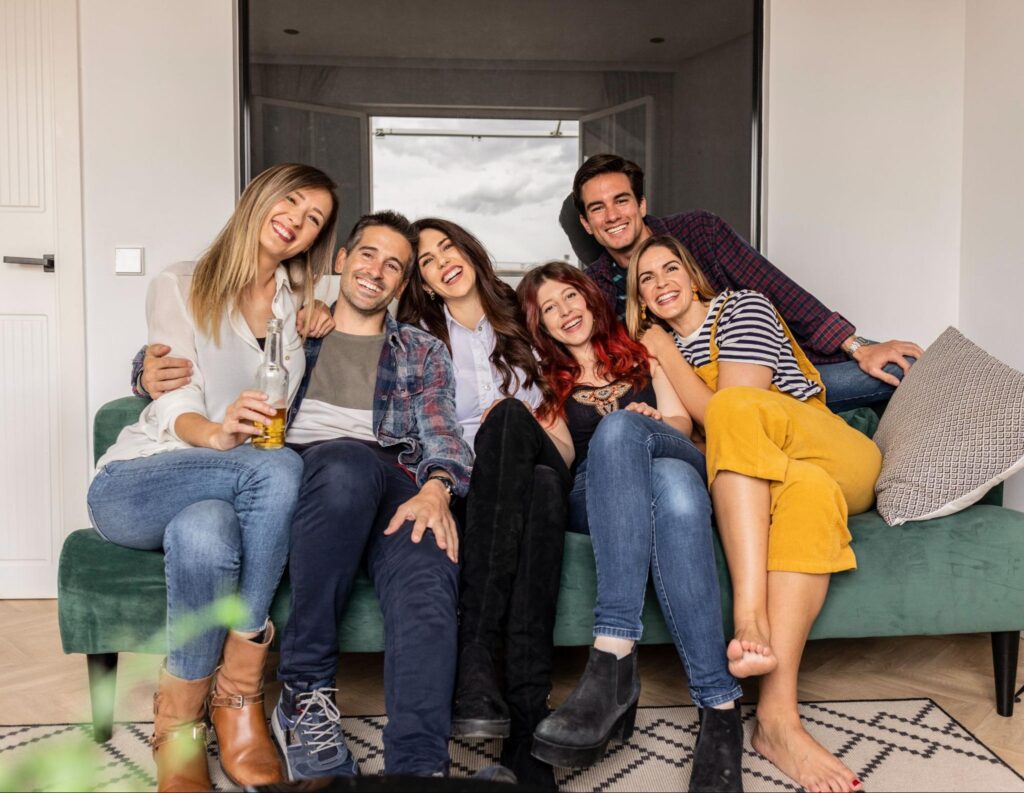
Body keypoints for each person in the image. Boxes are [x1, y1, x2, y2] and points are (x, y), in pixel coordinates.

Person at [88, 163, 338, 792]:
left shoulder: (297, 304)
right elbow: (172, 395)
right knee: (279, 467)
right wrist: (217, 433)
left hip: (225, 492)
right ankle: (240, 694)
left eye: (314, 219)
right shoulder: (182, 282)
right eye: (293, 202)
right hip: (141, 479)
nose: (298, 220)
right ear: (261, 196)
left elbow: (371, 281)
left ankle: (184, 723)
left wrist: (327, 317)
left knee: (208, 531)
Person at [627, 235, 881, 793]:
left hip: (833, 453)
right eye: (646, 278)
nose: (661, 281)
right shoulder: (658, 350)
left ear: (693, 276)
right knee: (808, 497)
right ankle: (776, 720)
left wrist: (666, 352)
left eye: (670, 267)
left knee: (737, 410)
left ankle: (748, 617)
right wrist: (652, 425)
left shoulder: (743, 307)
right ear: (639, 298)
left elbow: (728, 412)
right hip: (780, 481)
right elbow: (684, 431)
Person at [519, 262, 745, 793]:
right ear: (541, 327)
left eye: (569, 297)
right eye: (548, 309)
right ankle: (720, 706)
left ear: (590, 299)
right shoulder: (546, 380)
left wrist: (642, 423)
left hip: (666, 446)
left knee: (629, 434)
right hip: (593, 493)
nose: (564, 312)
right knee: (678, 493)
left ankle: (613, 654)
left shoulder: (644, 353)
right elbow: (566, 458)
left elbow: (683, 426)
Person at [270, 211, 474, 780]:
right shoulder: (289, 326)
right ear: (341, 261)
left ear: (402, 285)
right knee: (347, 464)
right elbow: (206, 355)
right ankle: (304, 695)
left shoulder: (422, 350)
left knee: (431, 575)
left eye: (393, 266)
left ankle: (417, 768)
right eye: (367, 255)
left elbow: (441, 432)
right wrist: (146, 372)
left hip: (399, 477)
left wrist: (437, 489)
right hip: (318, 469)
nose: (376, 271)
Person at [397, 218, 568, 789]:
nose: (442, 260)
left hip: (540, 450)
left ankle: (475, 659)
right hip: (473, 484)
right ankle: (526, 723)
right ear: (422, 280)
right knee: (540, 496)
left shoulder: (523, 315)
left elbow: (564, 397)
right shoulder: (416, 337)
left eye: (449, 246)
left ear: (469, 251)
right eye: (425, 259)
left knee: (511, 419)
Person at [565, 154, 923, 412]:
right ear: (585, 223)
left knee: (911, 365)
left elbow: (777, 289)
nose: (611, 215)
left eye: (621, 200)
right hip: (712, 398)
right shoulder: (595, 291)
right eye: (597, 208)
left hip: (780, 369)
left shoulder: (699, 232)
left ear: (641, 204)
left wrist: (857, 345)